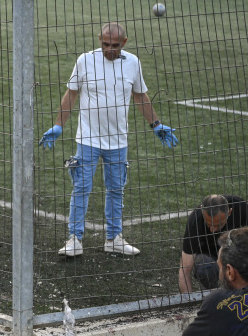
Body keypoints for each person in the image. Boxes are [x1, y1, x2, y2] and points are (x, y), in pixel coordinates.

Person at [40, 22, 179, 257]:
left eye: (114, 45)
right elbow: (71, 93)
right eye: (105, 44)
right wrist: (57, 125)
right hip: (88, 139)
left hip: (118, 140)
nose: (109, 49)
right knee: (81, 188)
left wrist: (155, 124)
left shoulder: (133, 63)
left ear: (124, 43)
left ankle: (113, 238)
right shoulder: (85, 60)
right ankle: (75, 238)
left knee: (116, 189)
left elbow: (140, 95)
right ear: (99, 40)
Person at [179, 194, 248, 293]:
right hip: (210, 256)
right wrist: (189, 301)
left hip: (235, 251)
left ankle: (247, 290)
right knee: (205, 268)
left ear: (230, 212)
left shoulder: (239, 205)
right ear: (202, 211)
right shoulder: (195, 220)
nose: (213, 230)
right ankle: (219, 294)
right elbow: (185, 270)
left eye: (219, 225)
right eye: (209, 224)